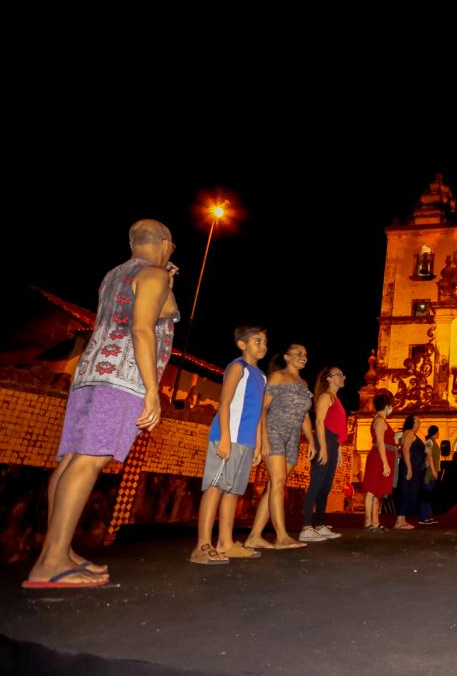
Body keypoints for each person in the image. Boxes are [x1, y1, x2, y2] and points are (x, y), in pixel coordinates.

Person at [25, 219, 178, 589]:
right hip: (122, 377)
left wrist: (168, 279)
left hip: (90, 373)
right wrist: (151, 389)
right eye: (171, 245)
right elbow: (143, 329)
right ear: (165, 242)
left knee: (72, 459)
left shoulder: (115, 275)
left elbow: (155, 314)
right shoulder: (153, 275)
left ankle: (58, 551)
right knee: (90, 459)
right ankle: (50, 563)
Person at [190, 325, 268, 565]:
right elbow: (224, 403)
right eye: (257, 341)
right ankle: (202, 545)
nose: (263, 345)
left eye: (265, 341)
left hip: (245, 441)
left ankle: (225, 542)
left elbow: (258, 413)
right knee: (215, 487)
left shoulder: (261, 376)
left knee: (233, 490)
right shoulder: (238, 367)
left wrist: (259, 442)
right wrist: (224, 436)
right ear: (242, 344)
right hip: (229, 436)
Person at [245, 344, 315, 550]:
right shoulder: (277, 377)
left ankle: (254, 536)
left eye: (305, 354)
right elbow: (263, 408)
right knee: (278, 481)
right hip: (273, 432)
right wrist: (263, 439)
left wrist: (310, 439)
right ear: (286, 357)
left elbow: (304, 416)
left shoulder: (303, 383)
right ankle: (281, 536)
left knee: (275, 486)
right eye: (299, 354)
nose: (303, 357)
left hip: (292, 438)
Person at [299, 366, 348, 542]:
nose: (343, 377)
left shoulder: (337, 399)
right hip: (324, 440)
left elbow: (338, 426)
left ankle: (320, 524)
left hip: (332, 442)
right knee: (316, 484)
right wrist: (324, 447)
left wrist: (339, 448)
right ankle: (306, 527)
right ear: (329, 379)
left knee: (326, 486)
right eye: (339, 374)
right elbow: (319, 422)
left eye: (342, 374)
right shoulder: (325, 397)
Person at [362, 395, 396, 530]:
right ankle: (368, 522)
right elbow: (380, 442)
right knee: (371, 490)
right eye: (391, 406)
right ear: (387, 406)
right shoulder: (380, 421)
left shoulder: (381, 420)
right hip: (378, 457)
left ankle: (375, 522)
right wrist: (385, 463)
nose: (392, 409)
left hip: (381, 456)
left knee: (378, 491)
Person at [395, 415, 424, 529]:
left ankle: (402, 520)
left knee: (408, 491)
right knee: (405, 491)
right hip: (409, 466)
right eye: (416, 421)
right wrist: (409, 468)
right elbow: (406, 450)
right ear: (411, 422)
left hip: (412, 467)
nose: (418, 423)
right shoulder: (409, 433)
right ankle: (399, 521)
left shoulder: (408, 433)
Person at [419, 425, 441, 524]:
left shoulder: (434, 442)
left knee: (429, 494)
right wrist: (433, 471)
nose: (439, 434)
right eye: (438, 432)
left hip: (433, 470)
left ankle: (428, 515)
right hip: (429, 471)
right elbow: (429, 457)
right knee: (426, 494)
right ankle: (423, 517)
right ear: (435, 432)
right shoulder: (429, 442)